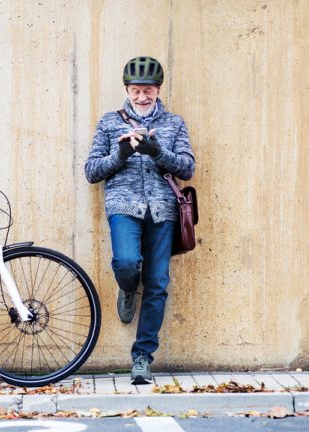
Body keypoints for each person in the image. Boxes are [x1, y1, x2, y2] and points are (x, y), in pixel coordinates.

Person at [84, 56, 195, 384]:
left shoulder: (174, 123)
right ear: (127, 90)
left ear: (158, 89)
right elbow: (91, 171)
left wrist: (156, 151)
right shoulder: (109, 122)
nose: (142, 97)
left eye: (148, 90)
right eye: (136, 91)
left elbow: (187, 168)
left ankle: (143, 357)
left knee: (158, 284)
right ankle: (128, 288)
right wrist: (123, 153)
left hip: (163, 211)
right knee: (128, 263)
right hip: (124, 207)